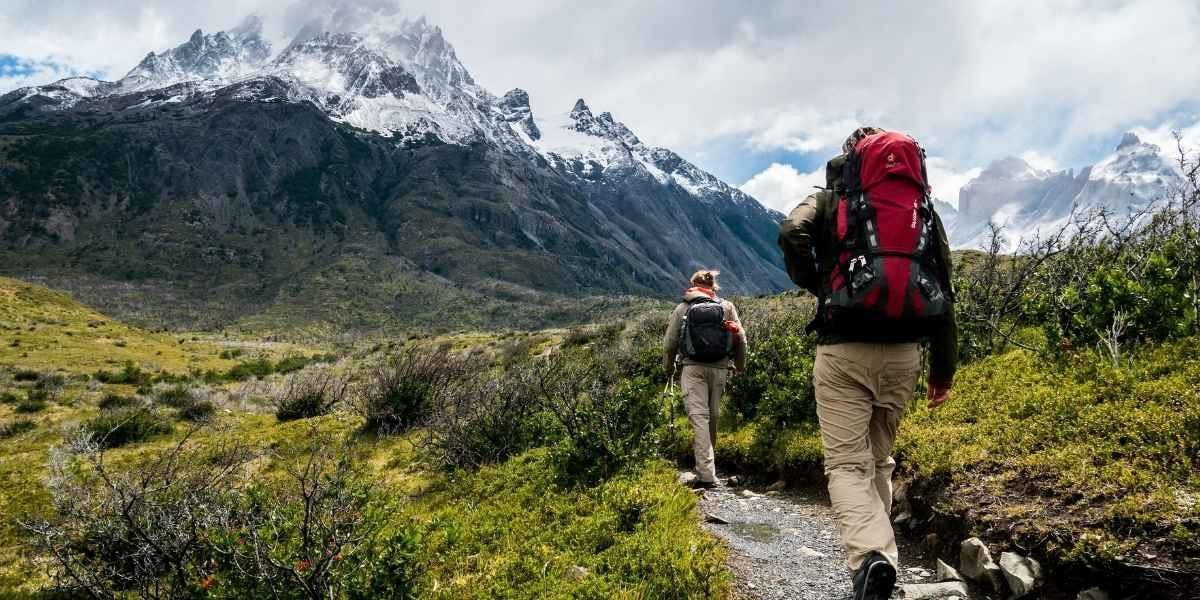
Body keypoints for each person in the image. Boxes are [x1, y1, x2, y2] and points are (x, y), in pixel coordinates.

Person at [778, 127, 957, 600]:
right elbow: (943, 283)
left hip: (844, 350)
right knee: (879, 459)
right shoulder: (920, 207)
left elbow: (791, 232)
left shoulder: (831, 198)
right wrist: (943, 369)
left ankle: (871, 558)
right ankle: (884, 568)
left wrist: (823, 284)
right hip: (904, 354)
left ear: (851, 159)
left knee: (846, 465)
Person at [662, 270, 747, 489]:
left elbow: (669, 344)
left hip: (692, 368)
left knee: (699, 417)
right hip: (720, 369)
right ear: (713, 286)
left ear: (693, 285)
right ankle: (708, 467)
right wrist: (739, 366)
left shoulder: (683, 308)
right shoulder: (726, 307)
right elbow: (741, 338)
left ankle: (706, 475)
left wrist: (669, 369)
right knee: (713, 417)